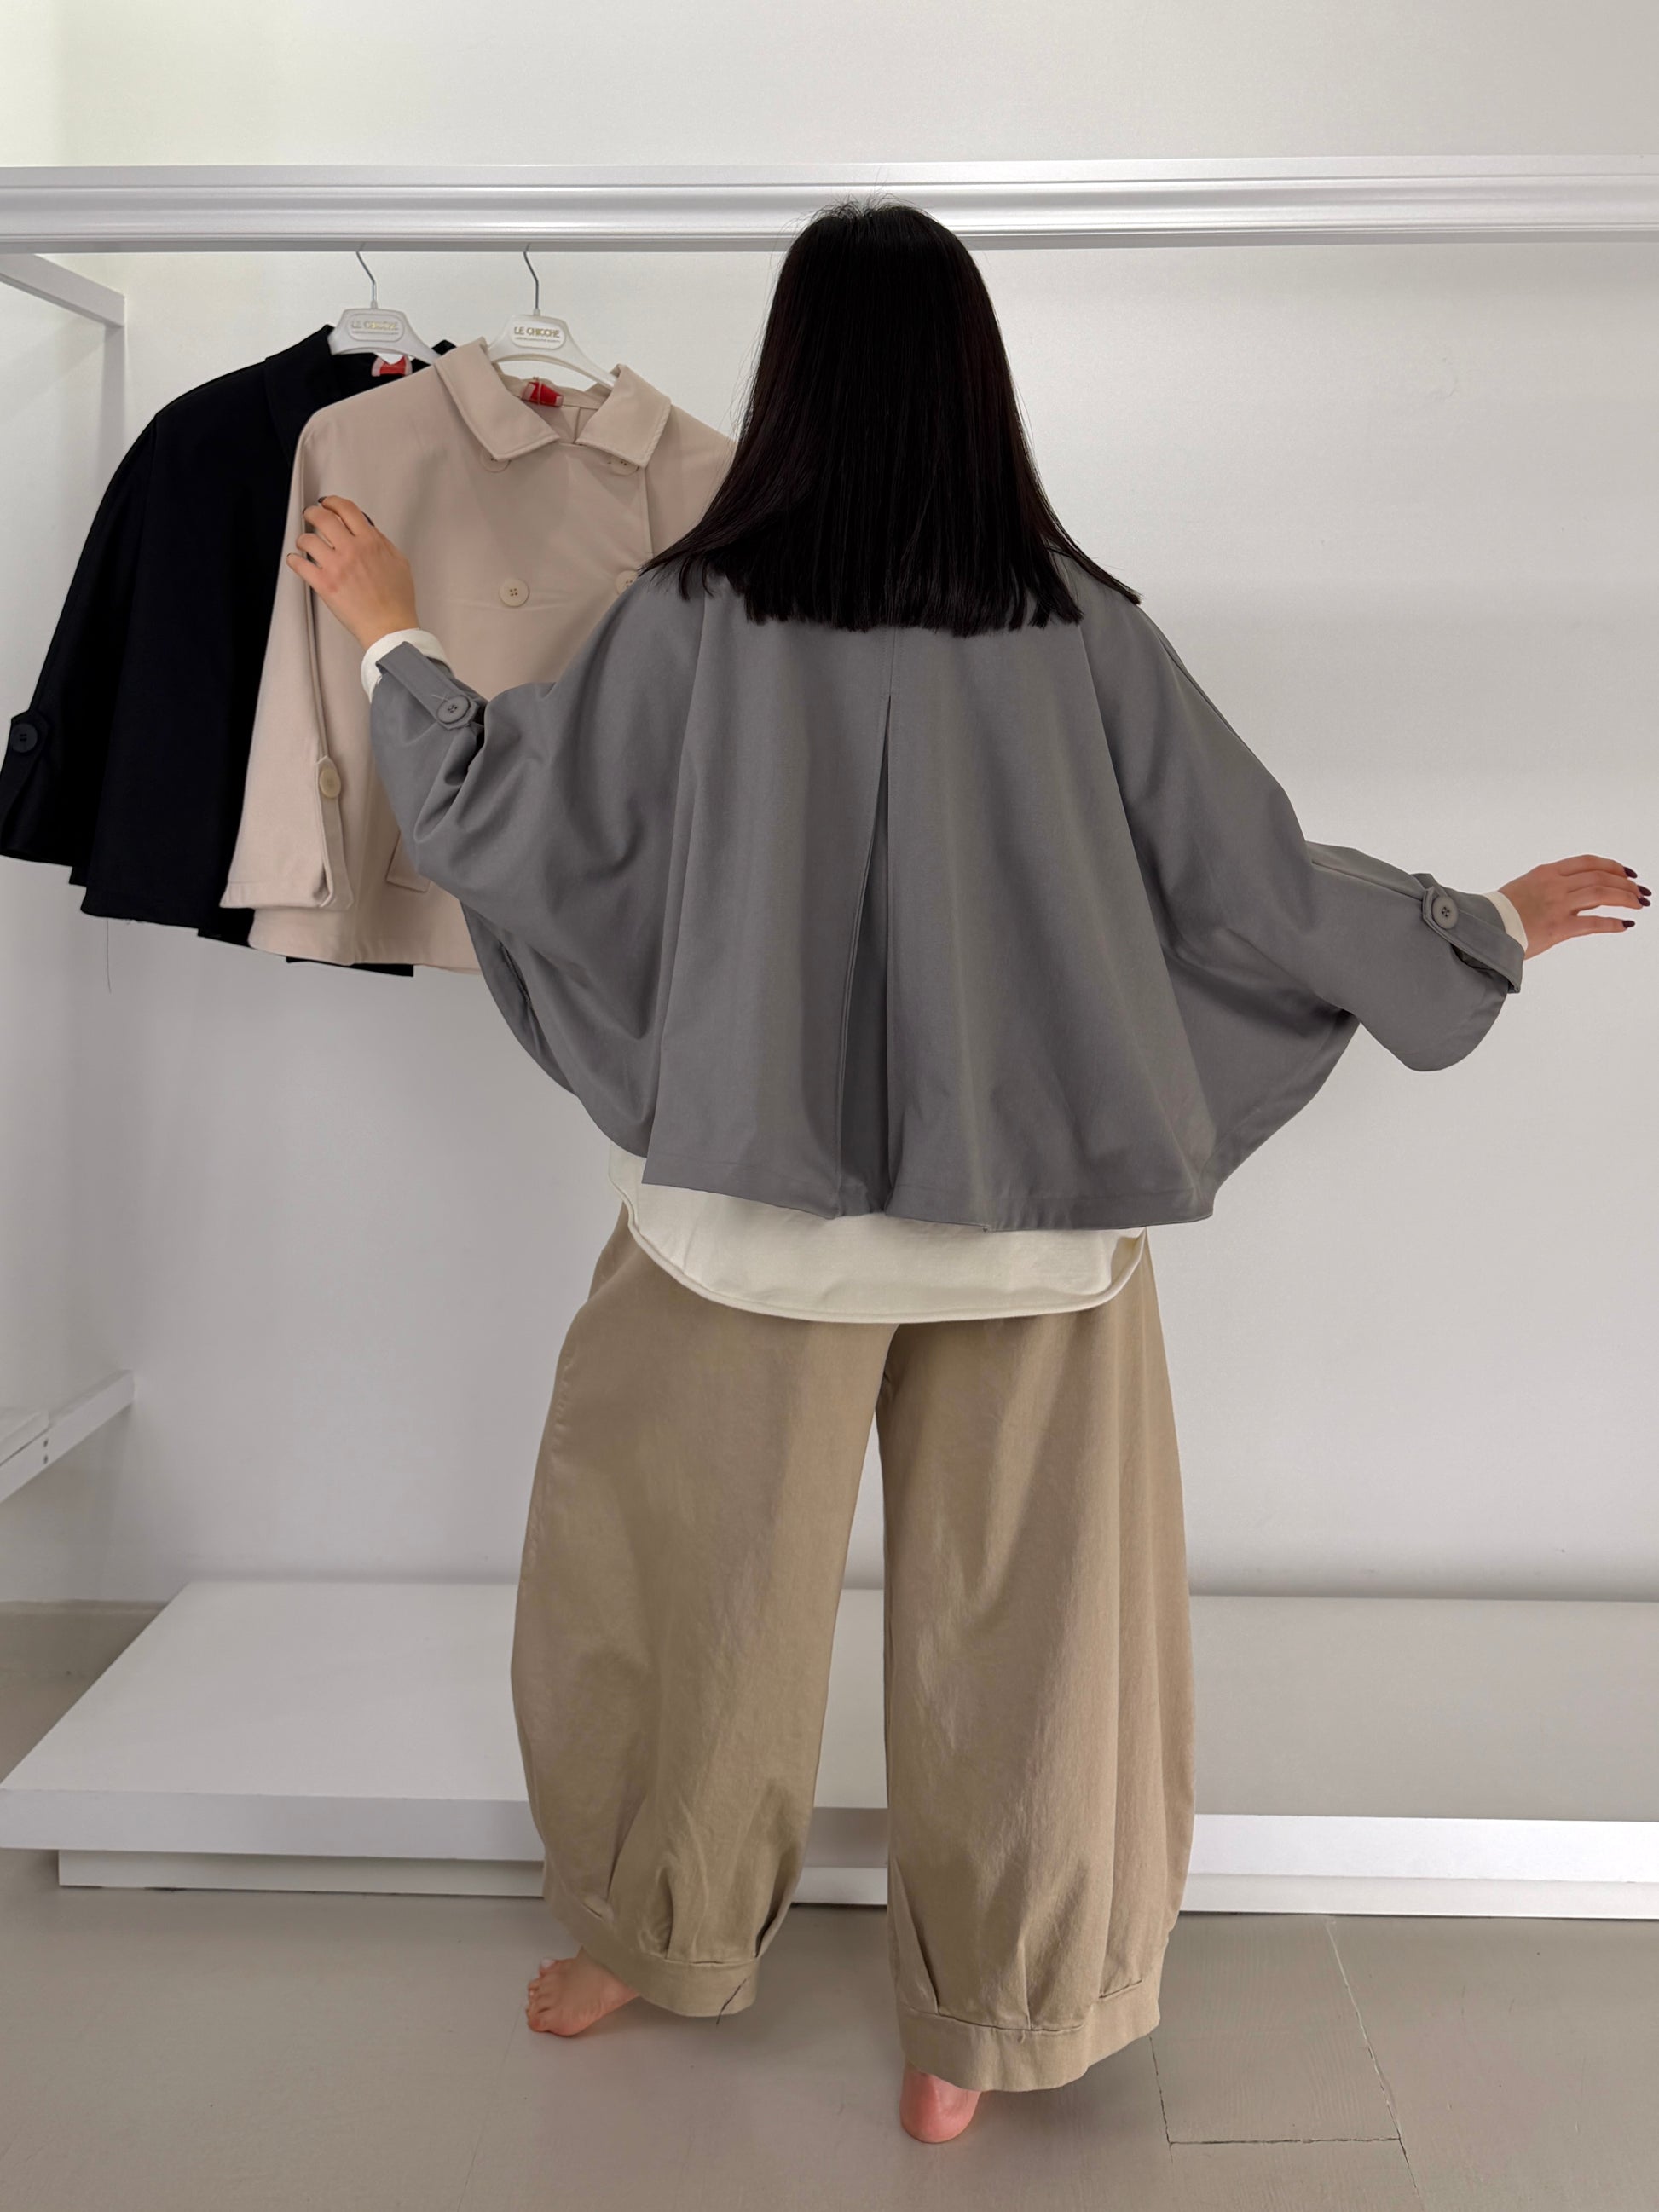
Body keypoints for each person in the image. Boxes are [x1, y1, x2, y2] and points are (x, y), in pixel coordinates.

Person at [281, 199, 1645, 2146]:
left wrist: (393, 628)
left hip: (741, 1228)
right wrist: (1478, 924)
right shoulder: (1084, 630)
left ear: (793, 383)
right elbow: (1250, 887)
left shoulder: (692, 616)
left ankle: (656, 1939)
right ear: (974, 385)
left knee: (680, 1603)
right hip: (1035, 1238)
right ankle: (988, 2019)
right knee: (1038, 1645)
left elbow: (524, 828)